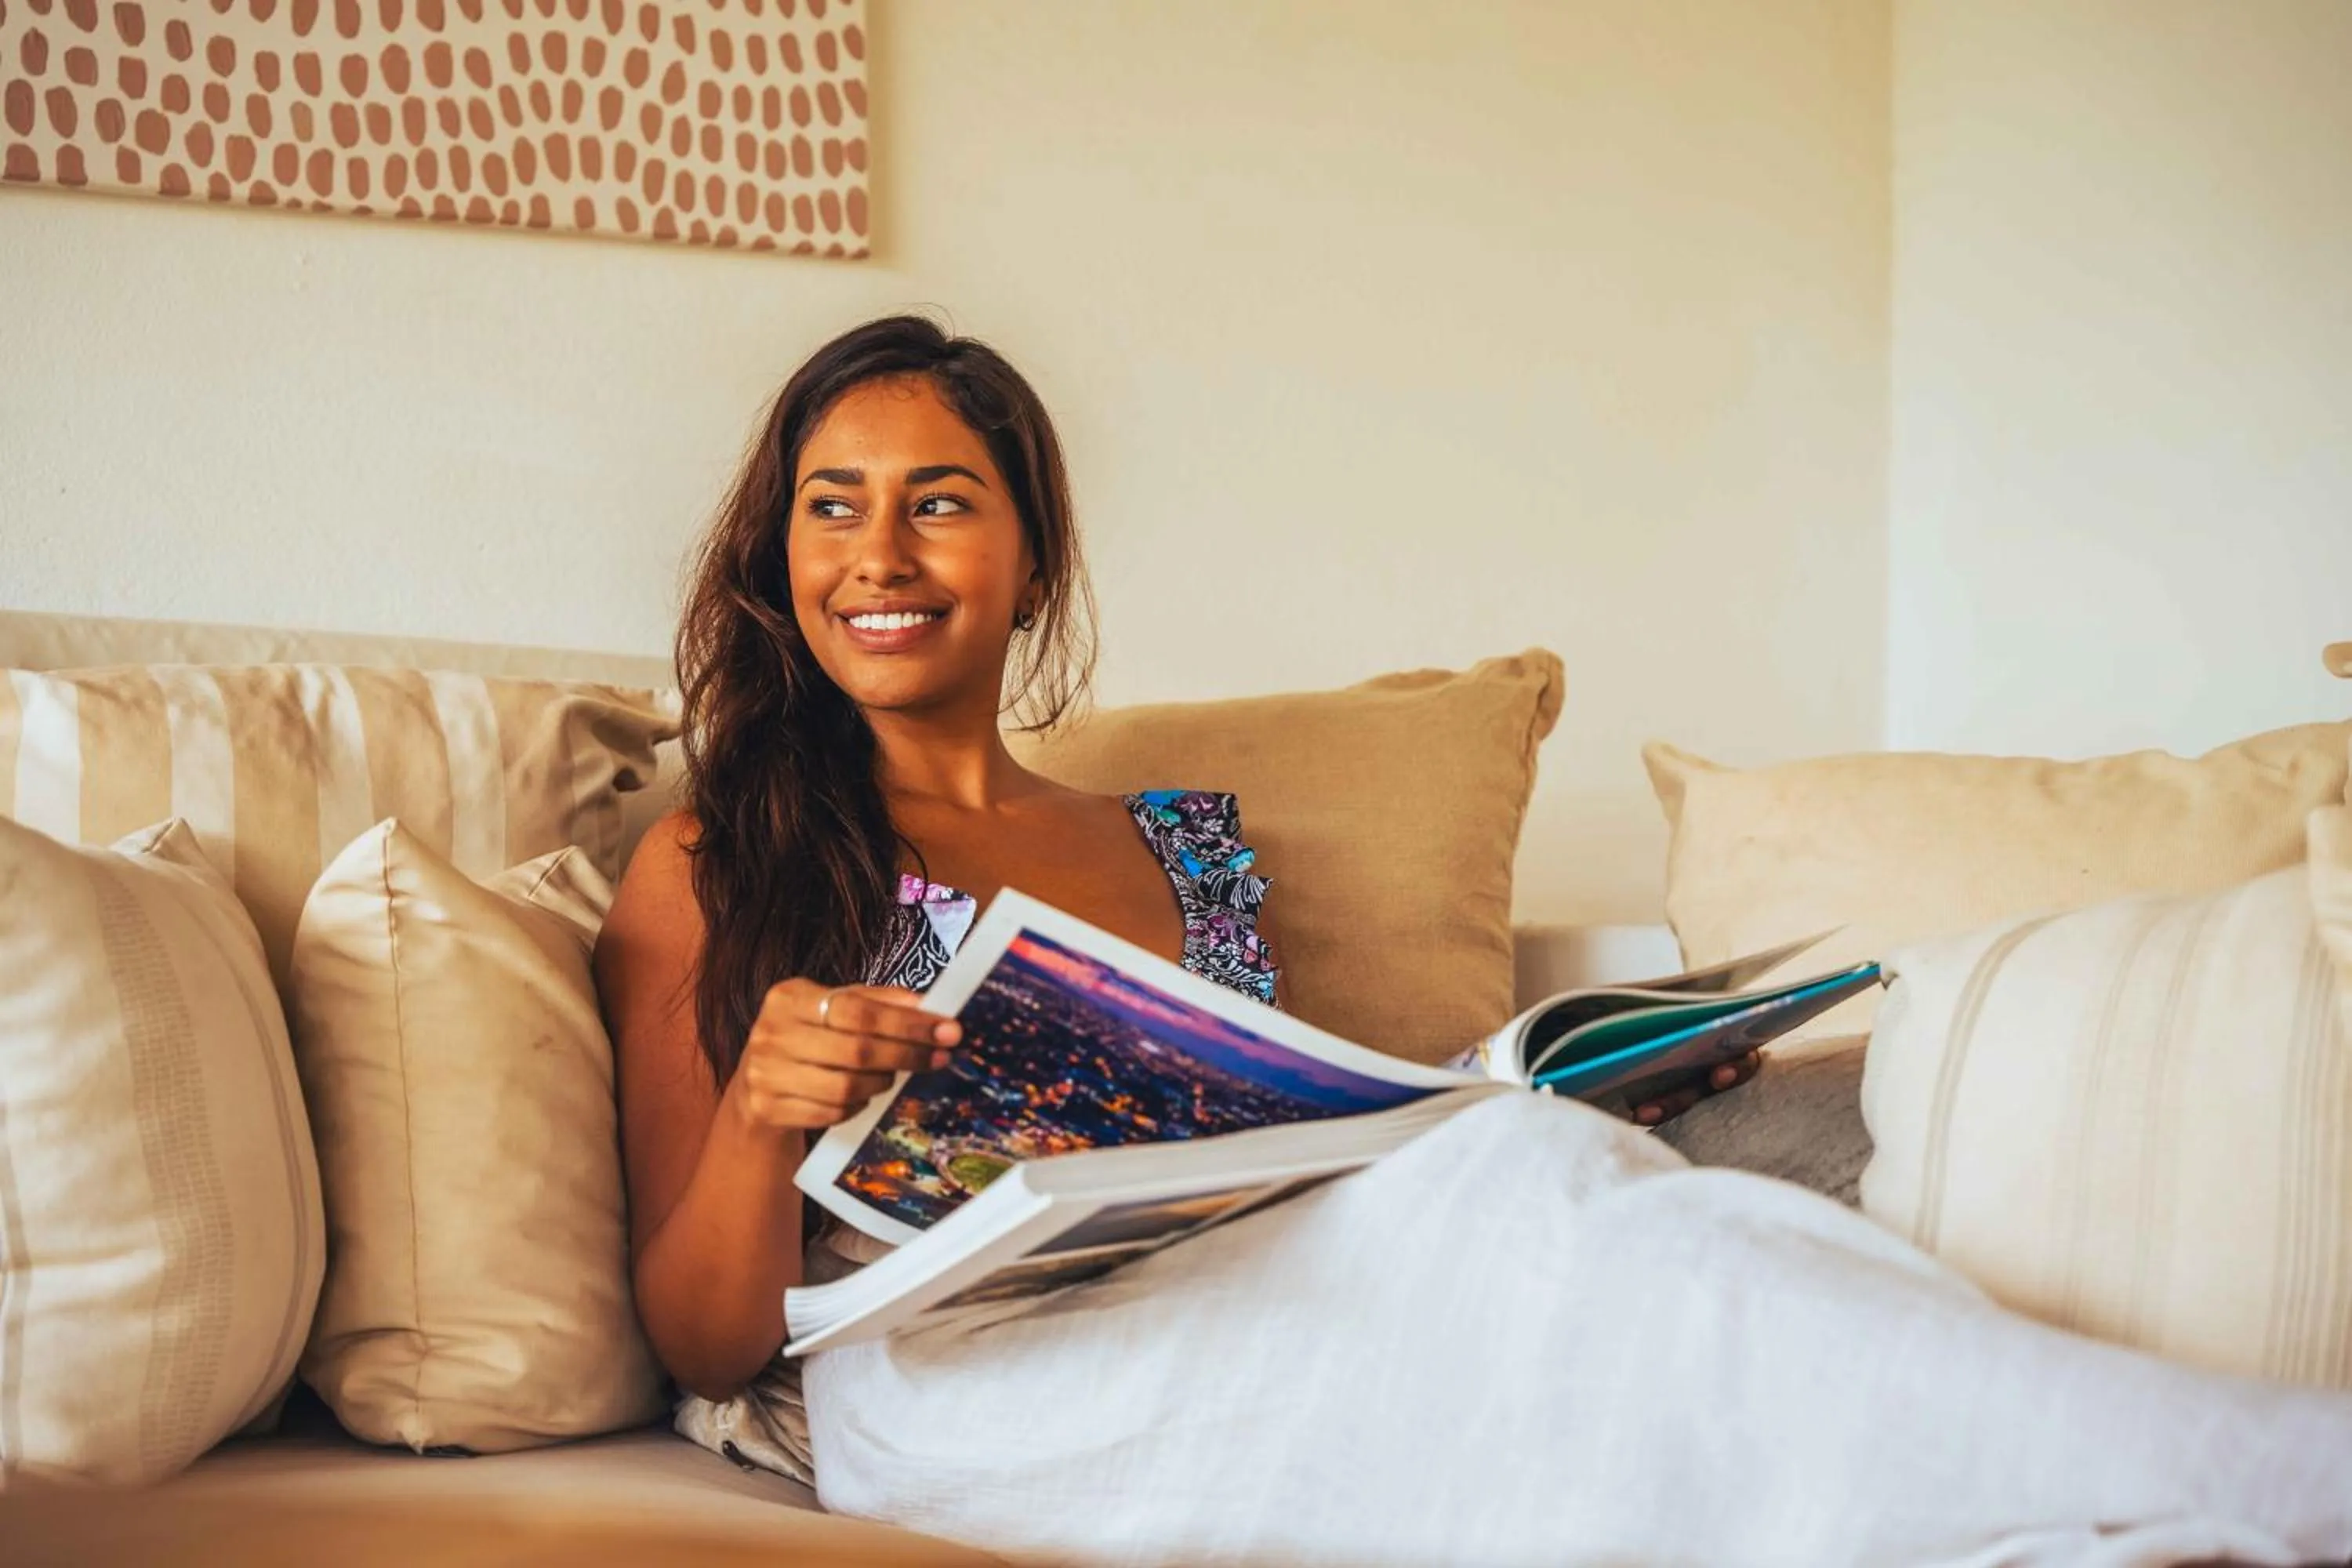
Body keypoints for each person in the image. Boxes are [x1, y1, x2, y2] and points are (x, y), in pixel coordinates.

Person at [595, 317, 2352, 1566]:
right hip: (951, 1374)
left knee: (1530, 1171)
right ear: (780, 551)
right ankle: (2263, 1477)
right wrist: (761, 1113)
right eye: (832, 503)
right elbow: (703, 1341)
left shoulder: (1180, 848)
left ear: (1034, 559)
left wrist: (1537, 1090)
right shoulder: (715, 860)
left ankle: (2121, 1492)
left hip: (1240, 1266)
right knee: (1522, 1250)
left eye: (938, 499)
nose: (879, 552)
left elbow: (1264, 1143)